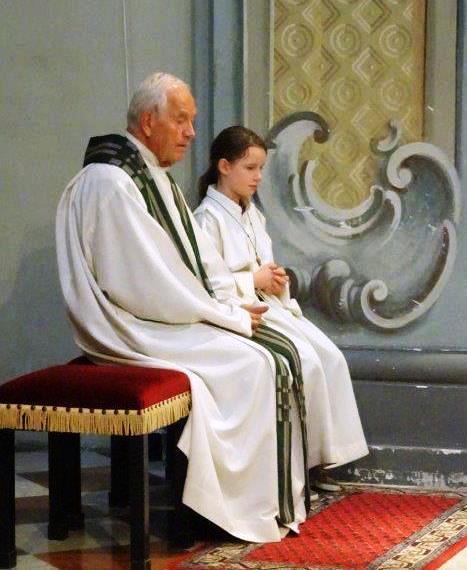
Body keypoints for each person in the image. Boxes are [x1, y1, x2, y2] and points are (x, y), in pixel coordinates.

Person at [56, 72, 324, 544]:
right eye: (181, 121)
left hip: (160, 314)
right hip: (130, 324)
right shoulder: (111, 182)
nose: (191, 133)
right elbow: (145, 282)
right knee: (251, 364)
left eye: (192, 121)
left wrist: (231, 301)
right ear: (148, 122)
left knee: (271, 356)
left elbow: (198, 260)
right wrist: (226, 315)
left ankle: (236, 499)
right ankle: (210, 510)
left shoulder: (154, 177)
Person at [194, 126, 368, 491]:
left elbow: (264, 264)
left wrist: (275, 279)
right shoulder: (207, 219)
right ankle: (300, 466)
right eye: (250, 168)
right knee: (306, 361)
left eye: (260, 168)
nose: (258, 176)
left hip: (273, 304)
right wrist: (253, 280)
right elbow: (207, 284)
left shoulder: (252, 214)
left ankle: (324, 457)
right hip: (243, 311)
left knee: (331, 357)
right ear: (224, 167)